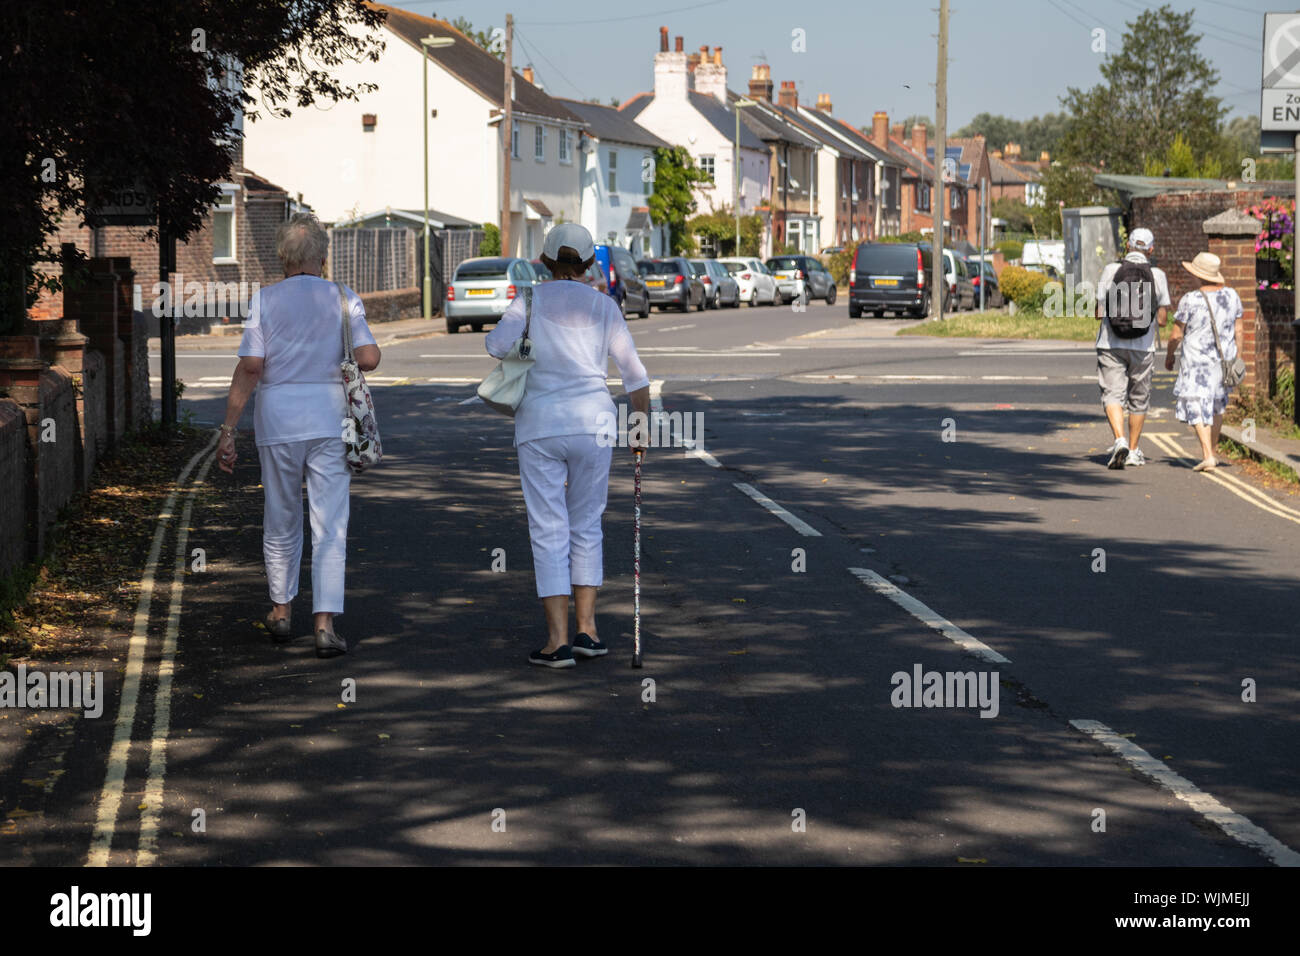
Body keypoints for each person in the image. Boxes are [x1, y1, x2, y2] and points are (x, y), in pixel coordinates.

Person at [485, 224, 650, 669]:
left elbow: (496, 345)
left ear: (544, 260)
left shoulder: (531, 300)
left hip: (540, 423)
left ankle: (556, 642)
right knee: (586, 523)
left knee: (548, 528)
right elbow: (635, 375)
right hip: (594, 423)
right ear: (590, 264)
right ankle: (588, 632)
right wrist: (639, 428)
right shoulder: (605, 306)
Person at [217, 213, 381, 658]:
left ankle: (281, 612)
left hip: (279, 420)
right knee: (331, 524)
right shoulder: (344, 298)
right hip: (331, 420)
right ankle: (325, 624)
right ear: (323, 258)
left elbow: (251, 367)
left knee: (281, 516)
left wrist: (228, 430)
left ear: (283, 257)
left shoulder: (265, 301)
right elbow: (368, 357)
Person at [1094, 227, 1171, 469]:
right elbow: (1161, 320)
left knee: (1113, 394)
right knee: (1139, 399)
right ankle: (1135, 450)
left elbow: (1098, 313)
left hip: (1111, 343)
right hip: (1143, 346)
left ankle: (1119, 440)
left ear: (1127, 247)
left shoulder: (1111, 270)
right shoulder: (1157, 275)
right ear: (1151, 250)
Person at [1165, 252, 1244, 472]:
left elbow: (1176, 335)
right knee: (1218, 405)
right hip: (1223, 361)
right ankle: (1212, 452)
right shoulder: (1232, 296)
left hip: (1196, 363)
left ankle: (1207, 454)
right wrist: (1239, 357)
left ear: (1198, 276)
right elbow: (1239, 329)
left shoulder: (1190, 300)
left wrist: (1170, 356)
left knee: (1195, 404)